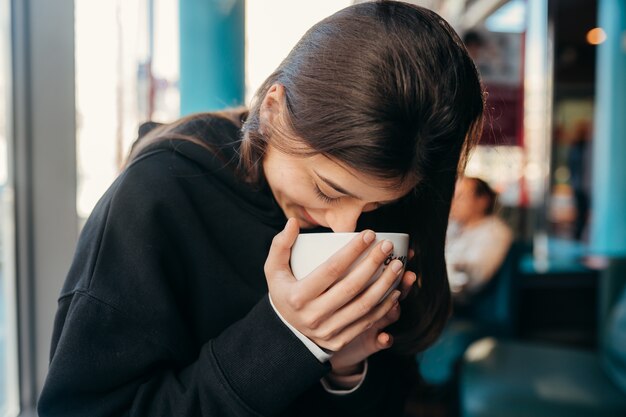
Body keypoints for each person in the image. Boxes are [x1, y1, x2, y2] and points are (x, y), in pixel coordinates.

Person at [38, 2, 484, 416]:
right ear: (273, 110)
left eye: (375, 204)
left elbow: (396, 395)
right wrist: (288, 339)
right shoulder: (157, 198)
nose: (346, 225)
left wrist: (345, 368)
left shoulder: (392, 203)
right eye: (328, 190)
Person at [445, 176, 513, 298]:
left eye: (460, 197)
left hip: (470, 303)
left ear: (482, 201)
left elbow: (477, 276)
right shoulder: (454, 227)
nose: (453, 203)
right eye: (452, 197)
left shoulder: (494, 232)